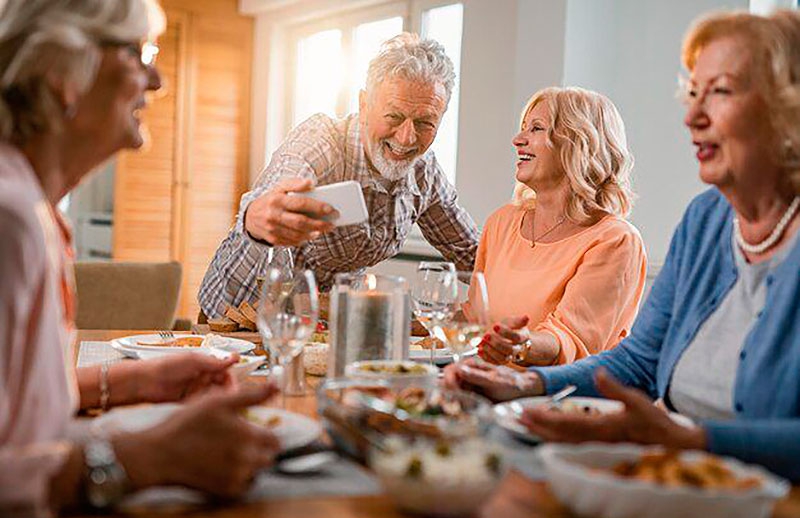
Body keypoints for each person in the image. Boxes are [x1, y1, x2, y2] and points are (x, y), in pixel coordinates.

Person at [445, 9, 800, 482]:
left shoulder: (616, 237)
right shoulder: (705, 220)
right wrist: (524, 383)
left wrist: (695, 442)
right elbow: (640, 361)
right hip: (673, 477)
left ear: (788, 107)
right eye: (692, 93)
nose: (692, 116)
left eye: (719, 91)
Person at [0, 1, 280, 518]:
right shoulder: (8, 219)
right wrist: (143, 459)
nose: (156, 81)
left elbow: (15, 409)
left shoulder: (31, 207)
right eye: (138, 52)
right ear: (65, 72)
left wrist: (134, 382)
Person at [198, 33, 479, 319]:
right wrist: (256, 215)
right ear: (364, 103)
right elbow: (272, 194)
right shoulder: (322, 141)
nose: (407, 138)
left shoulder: (424, 172)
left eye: (424, 123)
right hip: (234, 318)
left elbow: (471, 254)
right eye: (394, 117)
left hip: (322, 324)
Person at [473, 87, 646, 367]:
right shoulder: (501, 223)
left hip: (555, 399)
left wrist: (520, 344)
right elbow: (473, 319)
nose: (518, 140)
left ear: (577, 143)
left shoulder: (614, 240)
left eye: (536, 128)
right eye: (523, 128)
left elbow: (572, 340)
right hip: (484, 385)